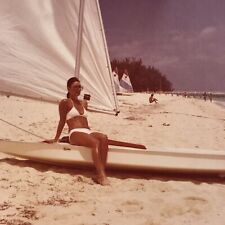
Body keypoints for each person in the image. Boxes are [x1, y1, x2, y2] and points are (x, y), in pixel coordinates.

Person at [44, 77, 110, 185]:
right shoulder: (65, 102)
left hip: (87, 131)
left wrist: (90, 133)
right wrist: (55, 139)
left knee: (104, 138)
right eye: (75, 87)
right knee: (95, 143)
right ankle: (101, 175)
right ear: (68, 88)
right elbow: (61, 121)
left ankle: (99, 173)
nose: (78, 89)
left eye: (80, 87)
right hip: (75, 133)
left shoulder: (83, 103)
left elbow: (85, 121)